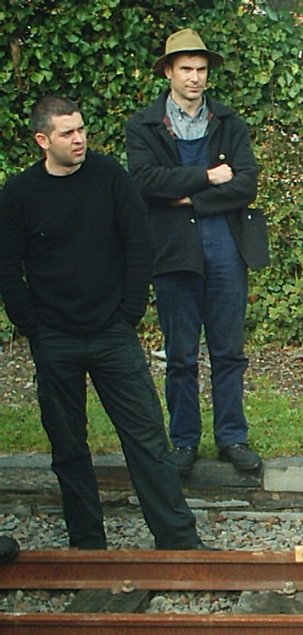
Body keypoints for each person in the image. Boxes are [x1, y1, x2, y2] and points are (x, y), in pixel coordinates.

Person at [0, 96, 209, 551]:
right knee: (68, 447)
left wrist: (128, 313)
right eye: (67, 133)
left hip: (113, 333)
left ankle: (177, 540)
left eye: (81, 130)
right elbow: (7, 266)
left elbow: (140, 245)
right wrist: (32, 325)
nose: (79, 139)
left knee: (148, 439)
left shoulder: (110, 177)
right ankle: (88, 545)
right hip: (54, 336)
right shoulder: (19, 194)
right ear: (43, 140)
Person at [125, 28, 268, 477]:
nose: (195, 78)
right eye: (185, 68)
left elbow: (246, 183)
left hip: (226, 246)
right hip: (172, 250)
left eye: (201, 69)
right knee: (181, 354)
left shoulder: (229, 123)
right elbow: (145, 183)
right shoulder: (144, 125)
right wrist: (209, 178)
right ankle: (183, 441)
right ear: (168, 71)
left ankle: (232, 437)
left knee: (229, 351)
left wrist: (186, 194)